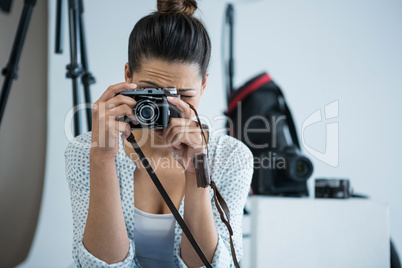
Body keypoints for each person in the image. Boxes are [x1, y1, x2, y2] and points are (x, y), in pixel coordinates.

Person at [64, 0, 254, 267]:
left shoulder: (232, 157)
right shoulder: (85, 152)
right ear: (128, 74)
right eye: (151, 93)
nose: (164, 110)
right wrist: (102, 158)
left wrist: (197, 171)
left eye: (183, 97)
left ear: (204, 84)